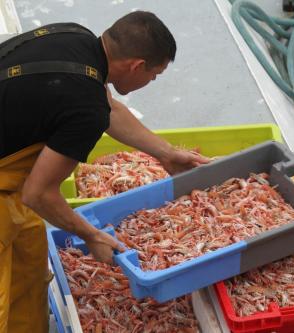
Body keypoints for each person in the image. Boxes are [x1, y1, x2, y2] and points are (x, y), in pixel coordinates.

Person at [0, 11, 210, 333]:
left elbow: (109, 108)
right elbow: (38, 193)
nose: (150, 83)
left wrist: (166, 154)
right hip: (15, 190)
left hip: (11, 187)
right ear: (137, 66)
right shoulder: (85, 109)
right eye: (153, 76)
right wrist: (92, 235)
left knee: (29, 266)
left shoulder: (79, 39)